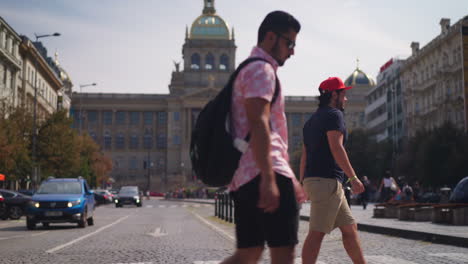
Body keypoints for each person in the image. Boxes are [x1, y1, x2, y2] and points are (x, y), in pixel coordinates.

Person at [220, 11, 305, 264]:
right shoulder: (262, 70)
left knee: (248, 253)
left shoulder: (246, 69)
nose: (292, 51)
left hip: (244, 176)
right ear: (270, 37)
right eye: (289, 43)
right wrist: (271, 179)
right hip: (265, 172)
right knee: (283, 254)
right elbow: (259, 122)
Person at [300, 77, 366, 264]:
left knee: (349, 229)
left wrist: (302, 181)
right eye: (344, 94)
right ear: (334, 95)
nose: (346, 99)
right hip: (326, 181)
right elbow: (336, 147)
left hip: (320, 181)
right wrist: (353, 177)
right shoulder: (334, 115)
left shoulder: (311, 121)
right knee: (317, 233)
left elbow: (305, 155)